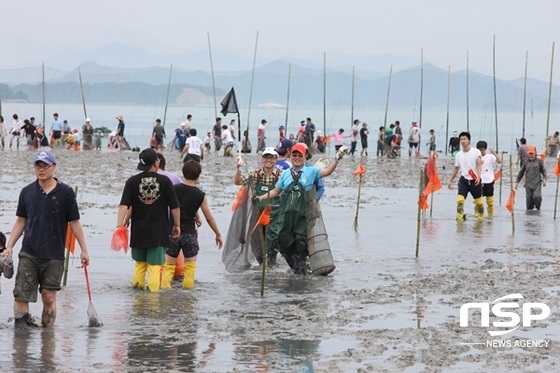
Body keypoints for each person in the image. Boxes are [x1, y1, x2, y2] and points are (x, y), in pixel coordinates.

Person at [4, 150, 90, 327]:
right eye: (38, 166)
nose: (41, 169)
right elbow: (21, 221)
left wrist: (84, 250)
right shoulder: (27, 192)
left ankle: (47, 340)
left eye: (45, 166)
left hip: (54, 254)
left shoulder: (65, 193)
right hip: (29, 252)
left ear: (54, 167)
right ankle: (21, 343)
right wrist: (10, 245)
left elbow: (74, 222)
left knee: (49, 297)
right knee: (21, 294)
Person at [258, 143, 346, 273]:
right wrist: (260, 198)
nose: (297, 158)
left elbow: (327, 172)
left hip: (304, 216)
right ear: (290, 156)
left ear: (305, 156)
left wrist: (336, 160)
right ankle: (296, 266)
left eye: (300, 155)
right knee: (282, 240)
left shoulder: (311, 171)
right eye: (294, 155)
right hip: (287, 216)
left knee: (302, 243)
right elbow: (276, 191)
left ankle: (301, 269)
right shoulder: (285, 174)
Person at [117, 148, 180, 292]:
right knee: (154, 267)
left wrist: (119, 225)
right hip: (158, 231)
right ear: (156, 163)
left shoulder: (132, 181)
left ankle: (137, 301)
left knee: (139, 264)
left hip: (139, 230)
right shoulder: (165, 181)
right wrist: (176, 225)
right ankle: (152, 302)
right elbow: (175, 207)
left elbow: (124, 205)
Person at [161, 160, 222, 289]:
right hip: (189, 234)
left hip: (172, 233)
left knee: (168, 267)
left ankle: (165, 295)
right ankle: (188, 297)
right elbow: (209, 218)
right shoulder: (200, 195)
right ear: (198, 175)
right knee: (189, 269)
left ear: (183, 173)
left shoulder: (173, 189)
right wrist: (217, 234)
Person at [234, 147, 283, 265]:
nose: (268, 160)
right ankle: (262, 262)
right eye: (266, 157)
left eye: (271, 157)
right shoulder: (255, 175)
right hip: (257, 213)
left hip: (274, 213)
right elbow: (237, 181)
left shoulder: (280, 175)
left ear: (276, 159)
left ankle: (271, 263)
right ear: (262, 159)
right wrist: (238, 168)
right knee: (255, 240)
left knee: (273, 238)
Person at [447, 131, 484, 220]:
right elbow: (456, 168)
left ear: (469, 141)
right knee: (460, 200)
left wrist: (479, 176)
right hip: (464, 180)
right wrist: (450, 180)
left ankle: (480, 219)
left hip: (475, 180)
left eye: (465, 139)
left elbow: (479, 165)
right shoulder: (458, 155)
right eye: (461, 139)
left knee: (478, 202)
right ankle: (459, 218)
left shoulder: (476, 152)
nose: (463, 141)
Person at [515, 145, 547, 210]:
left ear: (535, 153)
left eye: (532, 153)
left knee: (536, 197)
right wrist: (517, 182)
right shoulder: (525, 162)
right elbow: (521, 173)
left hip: (537, 183)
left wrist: (545, 179)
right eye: (530, 153)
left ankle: (538, 209)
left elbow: (544, 171)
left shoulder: (539, 161)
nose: (531, 155)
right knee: (529, 199)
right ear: (527, 153)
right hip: (528, 183)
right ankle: (529, 217)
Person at [477, 141, 501, 216]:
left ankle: (490, 217)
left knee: (490, 202)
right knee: (478, 201)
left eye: (482, 149)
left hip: (489, 180)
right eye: (479, 150)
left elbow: (499, 161)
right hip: (479, 181)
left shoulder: (490, 157)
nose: (481, 151)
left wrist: (494, 152)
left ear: (485, 149)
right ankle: (479, 215)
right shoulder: (476, 157)